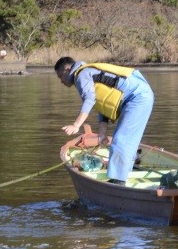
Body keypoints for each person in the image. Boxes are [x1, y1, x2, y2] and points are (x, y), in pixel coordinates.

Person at [55, 56, 154, 185]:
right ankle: (121, 175)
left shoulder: (81, 75)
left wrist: (76, 125)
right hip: (137, 96)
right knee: (124, 140)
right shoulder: (86, 73)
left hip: (137, 97)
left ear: (67, 69)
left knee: (121, 140)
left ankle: (118, 182)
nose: (61, 81)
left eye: (60, 76)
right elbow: (103, 104)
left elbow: (89, 100)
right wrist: (102, 134)